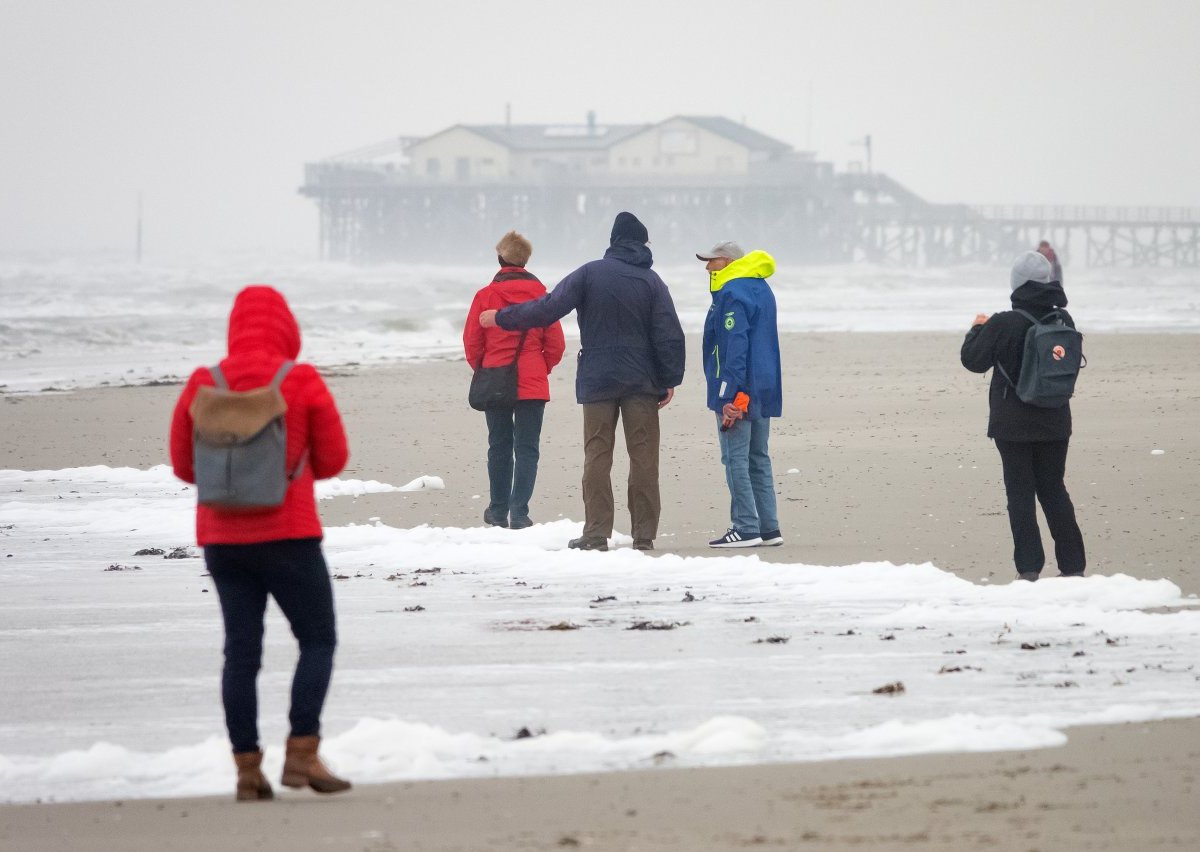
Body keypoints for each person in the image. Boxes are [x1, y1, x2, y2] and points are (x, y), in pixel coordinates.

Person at [169, 285, 352, 801]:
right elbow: (335, 459)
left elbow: (185, 467)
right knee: (316, 640)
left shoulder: (205, 382)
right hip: (290, 535)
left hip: (223, 541)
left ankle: (247, 770)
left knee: (241, 654)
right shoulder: (301, 380)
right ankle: (302, 753)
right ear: (286, 329)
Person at [479, 211, 685, 552]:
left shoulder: (590, 274)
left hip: (598, 379)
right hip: (642, 381)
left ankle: (596, 533)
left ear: (614, 241)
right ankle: (643, 535)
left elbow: (547, 309)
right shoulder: (652, 282)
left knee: (597, 454)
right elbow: (669, 336)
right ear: (640, 244)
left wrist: (502, 317)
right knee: (644, 458)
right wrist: (668, 379)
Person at [960, 251, 1086, 581]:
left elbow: (972, 361)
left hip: (1012, 424)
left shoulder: (1003, 322)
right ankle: (1073, 567)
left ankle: (1029, 569)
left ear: (1016, 285)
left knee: (1020, 496)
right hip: (1056, 419)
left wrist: (976, 328)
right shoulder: (1064, 321)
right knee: (1054, 489)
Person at [463, 231, 565, 529]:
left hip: (495, 377)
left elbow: (472, 341)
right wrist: (539, 368)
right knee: (527, 448)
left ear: (500, 259)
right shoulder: (543, 295)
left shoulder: (485, 295)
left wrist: (484, 368)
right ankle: (519, 513)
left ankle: (497, 510)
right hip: (532, 381)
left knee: (499, 445)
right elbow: (556, 344)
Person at [697, 241, 784, 548]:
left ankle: (746, 526)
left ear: (728, 261)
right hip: (764, 386)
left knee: (735, 459)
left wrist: (729, 396)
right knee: (758, 457)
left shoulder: (732, 293)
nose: (707, 267)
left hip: (739, 390)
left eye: (711, 261)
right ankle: (769, 527)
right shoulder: (761, 288)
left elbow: (735, 348)